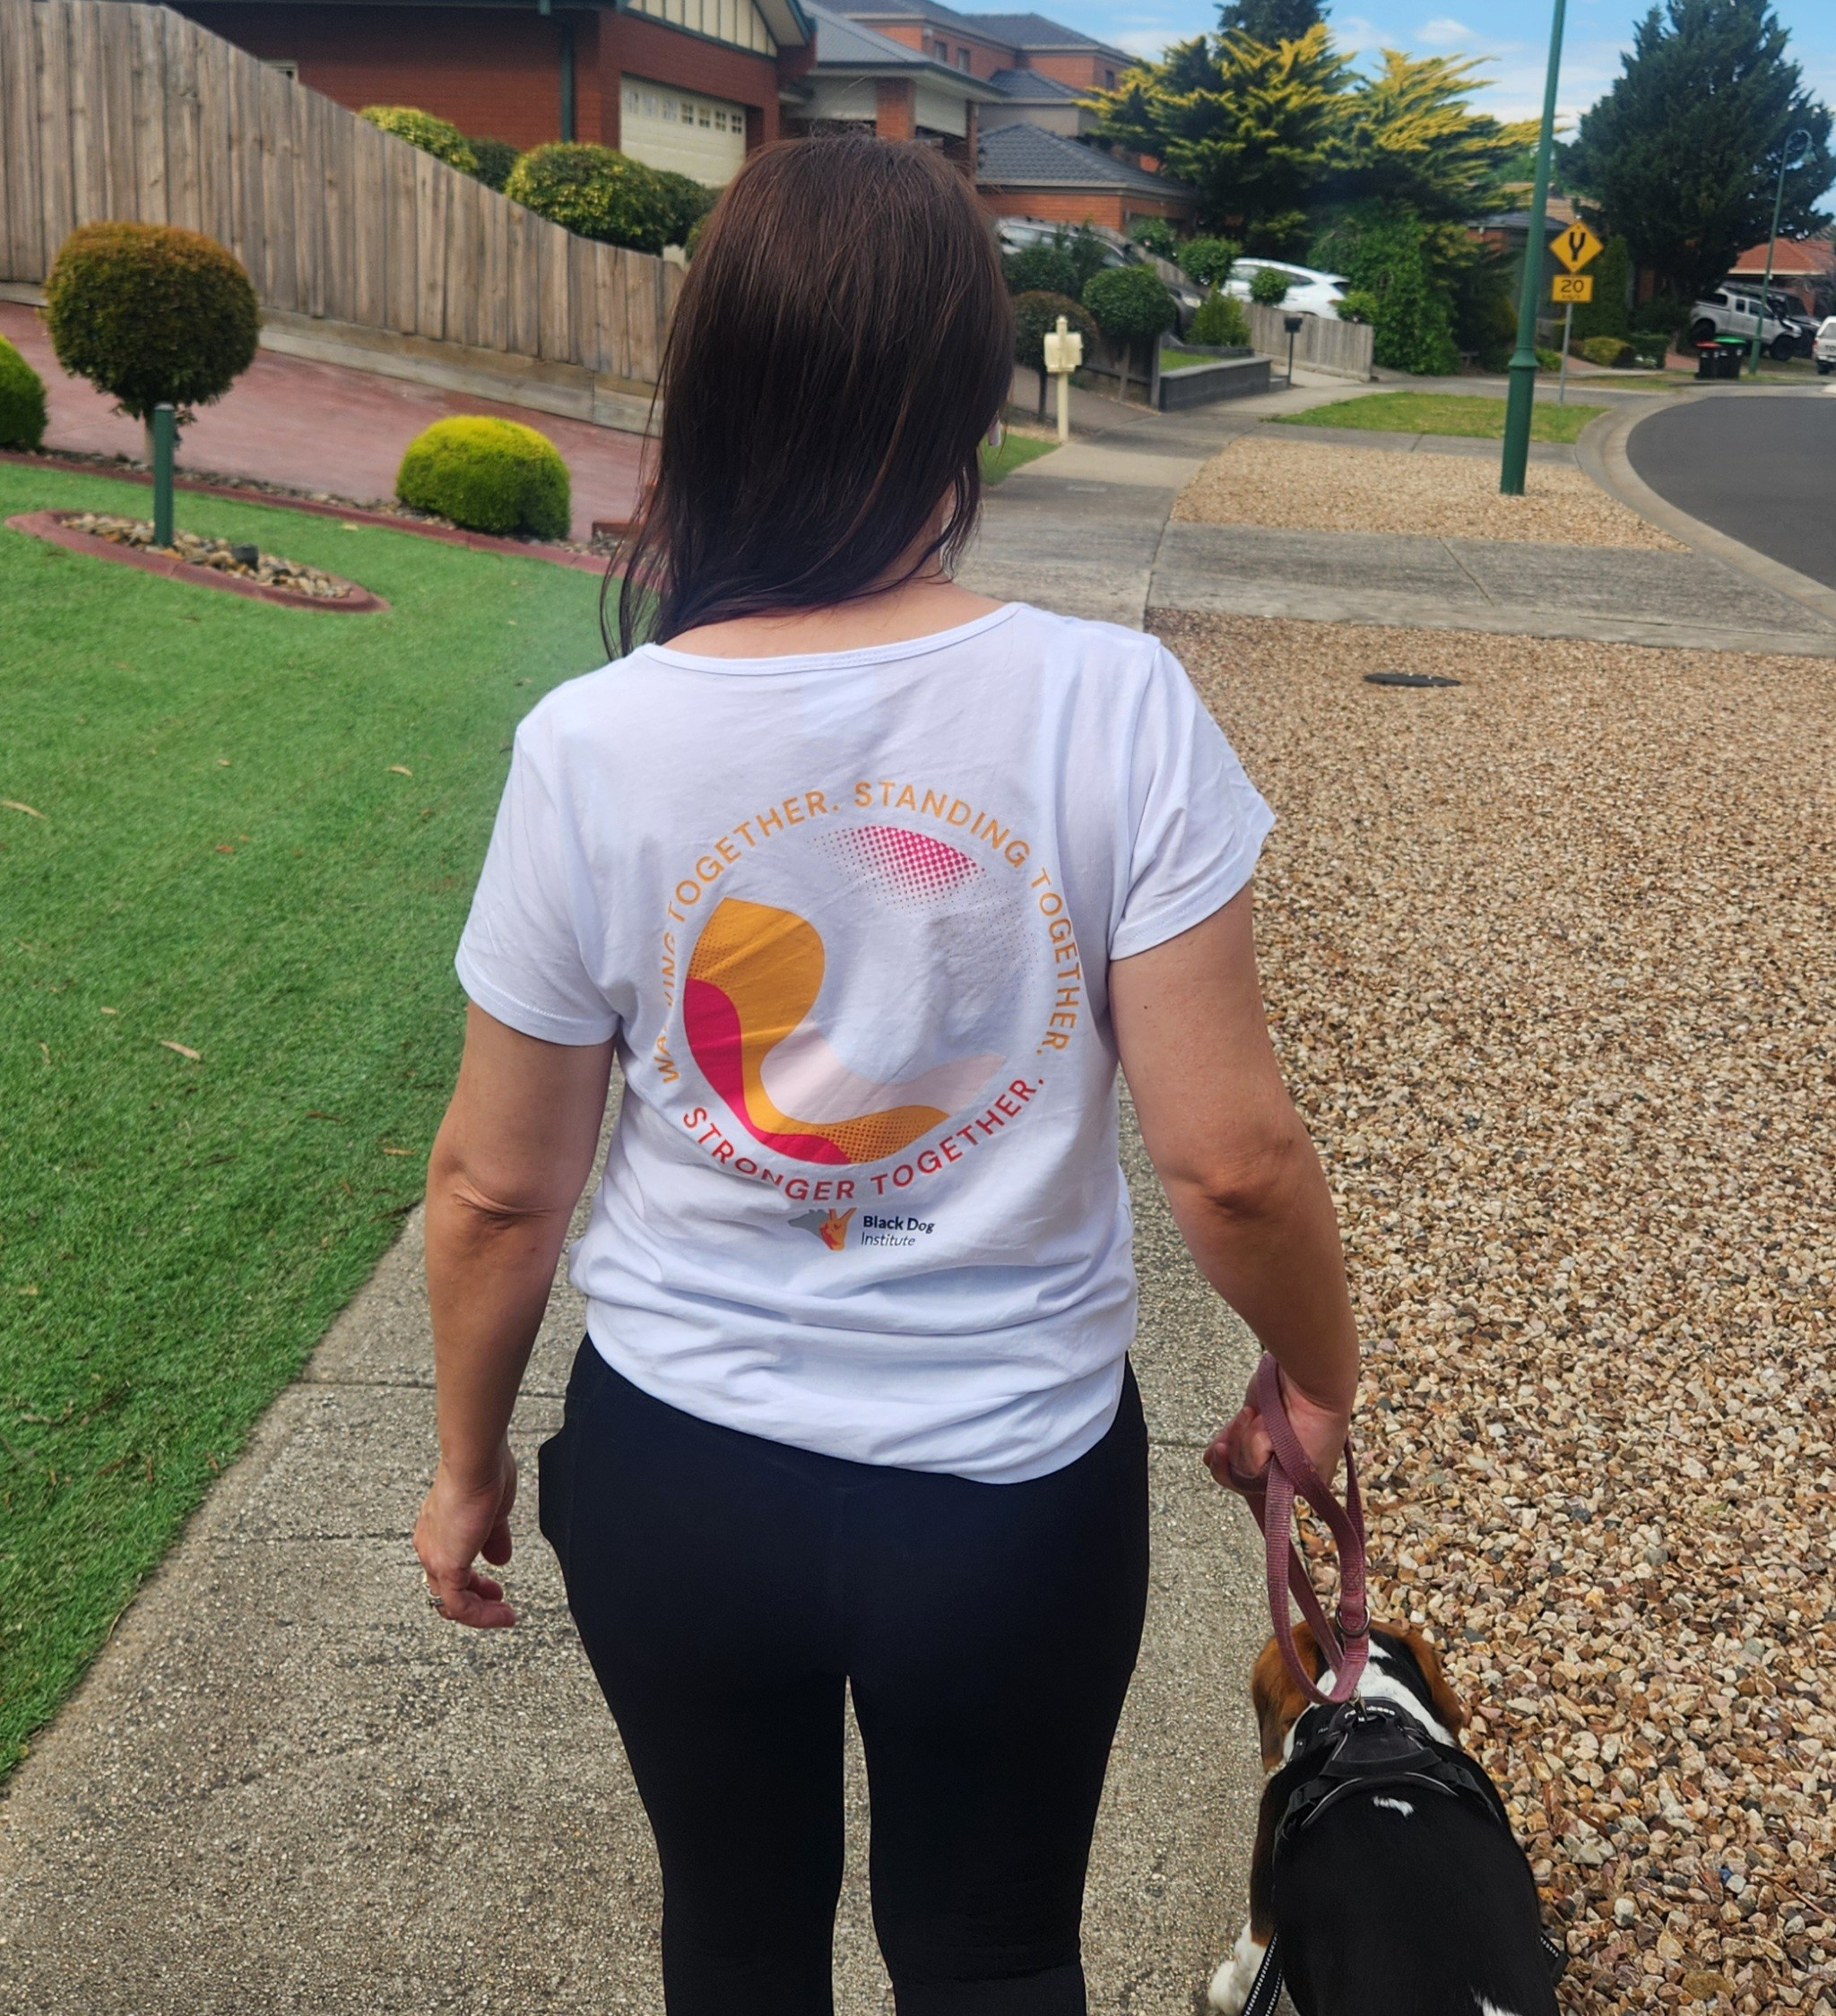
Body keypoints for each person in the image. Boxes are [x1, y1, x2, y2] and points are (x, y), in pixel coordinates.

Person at [412, 133, 1360, 2016]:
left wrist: (463, 1467)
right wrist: (1317, 1376)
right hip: (1008, 1497)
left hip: (682, 1473)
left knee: (735, 1944)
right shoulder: (1113, 705)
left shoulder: (591, 744)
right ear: (964, 395)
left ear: (713, 383)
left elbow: (497, 1189)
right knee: (994, 1955)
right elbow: (1233, 1162)